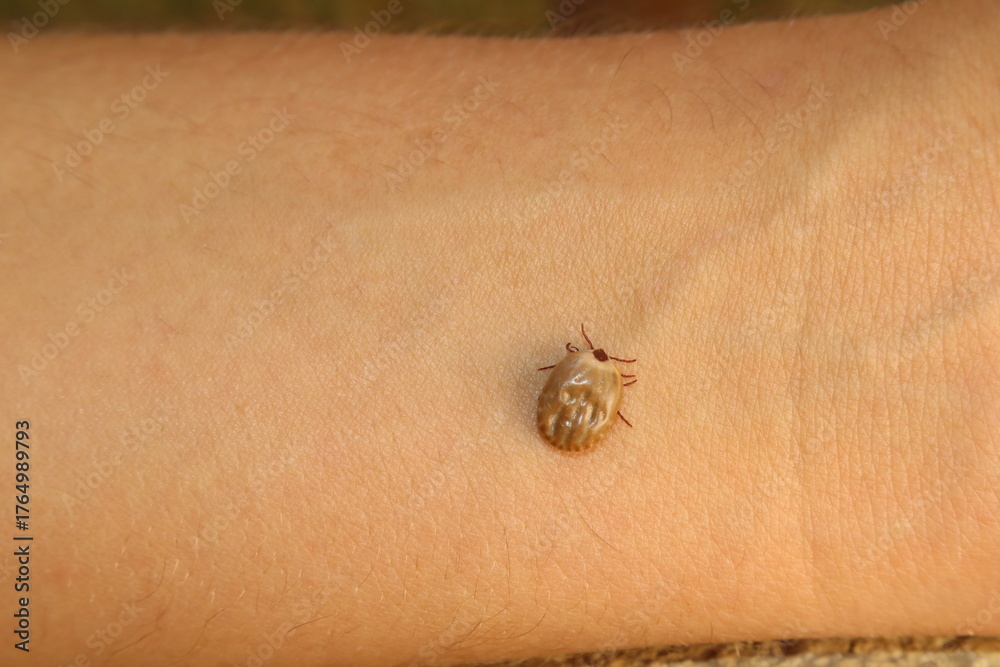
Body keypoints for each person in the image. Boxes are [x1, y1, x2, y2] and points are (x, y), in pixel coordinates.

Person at [2, 0, 998, 664]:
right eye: (593, 358)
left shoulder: (581, 381)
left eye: (593, 359)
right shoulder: (587, 386)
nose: (591, 360)